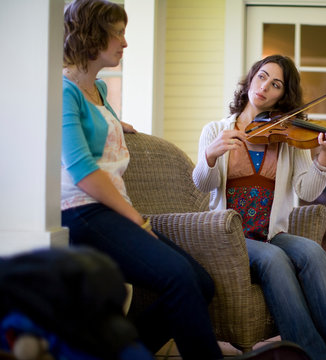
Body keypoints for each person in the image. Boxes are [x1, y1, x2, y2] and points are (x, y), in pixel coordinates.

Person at [60, 1, 223, 358]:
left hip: (107, 212)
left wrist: (120, 124)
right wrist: (135, 218)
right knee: (179, 277)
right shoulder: (64, 91)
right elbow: (83, 170)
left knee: (201, 282)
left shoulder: (97, 90)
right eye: (118, 33)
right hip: (81, 213)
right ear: (92, 34)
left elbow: (100, 130)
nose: (124, 42)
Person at [192, 54, 326, 360]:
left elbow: (306, 190)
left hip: (272, 233)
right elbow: (202, 184)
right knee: (275, 259)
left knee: (315, 253)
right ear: (252, 78)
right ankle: (313, 355)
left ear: (283, 94)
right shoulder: (215, 130)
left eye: (275, 84)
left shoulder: (287, 136)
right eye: (262, 76)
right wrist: (210, 155)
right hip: (231, 237)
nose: (265, 86)